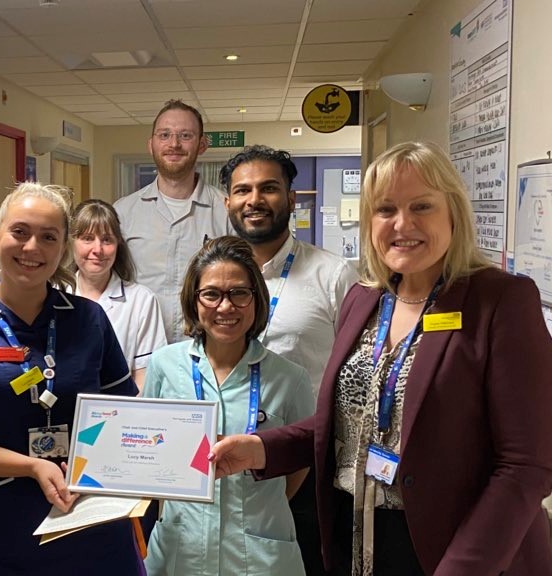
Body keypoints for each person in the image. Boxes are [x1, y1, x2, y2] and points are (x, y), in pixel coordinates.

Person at [210, 142, 552, 576]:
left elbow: (526, 466)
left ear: (453, 211)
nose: (402, 224)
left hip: (458, 548)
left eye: (421, 206)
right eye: (386, 209)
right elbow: (349, 421)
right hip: (360, 537)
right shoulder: (365, 299)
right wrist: (261, 449)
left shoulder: (500, 301)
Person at [0, 182, 144, 575]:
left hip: (88, 518)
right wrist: (30, 466)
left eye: (49, 237)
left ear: (64, 247)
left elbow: (122, 414)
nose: (32, 247)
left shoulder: (89, 319)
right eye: (19, 232)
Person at [220, 144, 359, 576]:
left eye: (269, 188)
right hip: (226, 457)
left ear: (291, 198)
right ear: (227, 202)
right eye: (242, 190)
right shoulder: (214, 278)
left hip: (307, 462)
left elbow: (355, 375)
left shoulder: (333, 276)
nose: (254, 200)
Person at [142, 236, 314, 575]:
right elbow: (148, 452)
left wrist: (254, 508)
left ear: (255, 298)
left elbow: (300, 462)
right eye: (211, 294)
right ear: (194, 300)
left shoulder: (290, 378)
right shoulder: (163, 366)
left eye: (238, 293)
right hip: (181, 549)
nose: (225, 307)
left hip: (258, 552)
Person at [114, 99, 230, 343]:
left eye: (185, 135)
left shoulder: (227, 211)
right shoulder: (123, 213)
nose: (174, 144)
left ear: (202, 145)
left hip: (208, 350)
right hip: (140, 351)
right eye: (164, 135)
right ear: (151, 144)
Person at [68, 198, 167, 391]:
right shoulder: (54, 293)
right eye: (87, 238)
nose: (98, 250)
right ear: (71, 242)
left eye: (107, 240)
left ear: (118, 244)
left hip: (119, 408)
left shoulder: (141, 300)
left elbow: (145, 379)